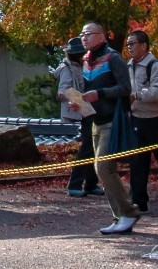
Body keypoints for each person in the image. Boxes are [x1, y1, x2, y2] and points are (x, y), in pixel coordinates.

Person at [76, 20, 139, 234]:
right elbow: (89, 90)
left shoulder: (113, 58)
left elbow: (125, 88)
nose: (84, 38)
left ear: (102, 36)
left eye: (89, 34)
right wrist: (79, 102)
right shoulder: (86, 61)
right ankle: (119, 215)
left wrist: (100, 94)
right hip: (95, 120)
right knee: (102, 169)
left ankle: (128, 211)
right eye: (82, 34)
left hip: (113, 120)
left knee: (103, 167)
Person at [124, 30, 158, 216]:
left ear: (143, 45)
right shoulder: (128, 66)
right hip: (137, 120)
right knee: (137, 163)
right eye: (127, 44)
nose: (129, 47)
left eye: (132, 44)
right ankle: (138, 202)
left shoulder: (155, 66)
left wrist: (136, 95)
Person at [55, 38, 100, 197]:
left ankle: (91, 183)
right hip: (82, 108)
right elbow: (63, 90)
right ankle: (75, 184)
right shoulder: (67, 68)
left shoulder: (81, 65)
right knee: (88, 146)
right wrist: (74, 99)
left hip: (86, 108)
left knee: (92, 146)